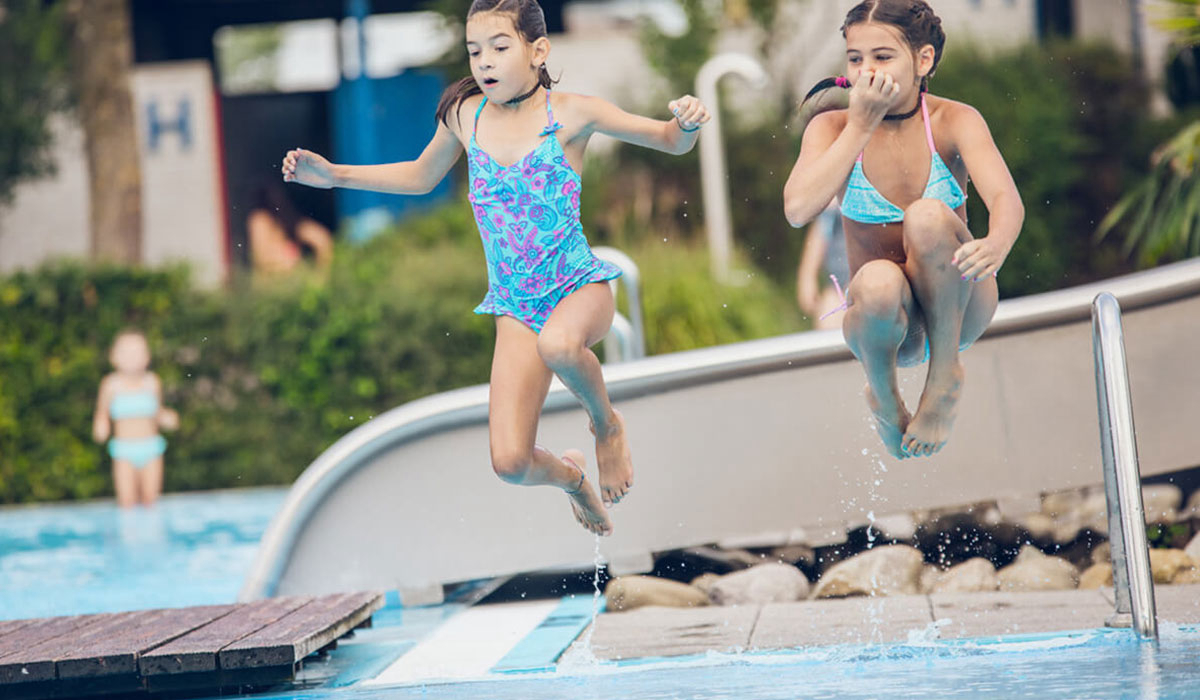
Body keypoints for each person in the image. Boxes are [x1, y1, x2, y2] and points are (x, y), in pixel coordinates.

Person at [281, 0, 710, 536]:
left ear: (538, 51)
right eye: (475, 51)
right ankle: (573, 478)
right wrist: (333, 176)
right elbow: (420, 176)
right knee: (510, 463)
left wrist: (686, 124)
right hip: (515, 306)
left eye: (500, 48)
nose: (484, 62)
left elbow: (670, 141)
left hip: (578, 286)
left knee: (558, 344)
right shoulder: (466, 116)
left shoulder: (573, 113)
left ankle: (607, 426)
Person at [782, 0, 1023, 460]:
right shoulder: (832, 128)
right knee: (874, 280)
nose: (867, 70)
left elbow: (1005, 200)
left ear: (923, 59)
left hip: (960, 311)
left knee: (927, 217)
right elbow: (797, 209)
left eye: (882, 56)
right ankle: (883, 396)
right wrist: (859, 125)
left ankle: (946, 376)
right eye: (856, 59)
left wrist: (997, 241)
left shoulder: (955, 120)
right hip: (888, 328)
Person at [92, 330, 179, 508]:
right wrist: (101, 427)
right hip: (124, 450)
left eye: (137, 353)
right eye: (126, 353)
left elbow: (157, 412)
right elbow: (102, 413)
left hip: (151, 448)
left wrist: (168, 418)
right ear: (114, 357)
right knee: (127, 502)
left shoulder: (152, 382)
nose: (132, 358)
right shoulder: (110, 384)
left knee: (150, 500)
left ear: (147, 357)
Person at [245, 180, 334, 275]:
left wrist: (321, 276)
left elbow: (321, 239)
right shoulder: (263, 220)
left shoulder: (264, 219)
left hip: (286, 282)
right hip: (278, 282)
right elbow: (261, 258)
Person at [796, 201, 852, 330]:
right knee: (828, 319)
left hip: (869, 276)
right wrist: (807, 276)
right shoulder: (836, 196)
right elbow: (821, 231)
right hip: (838, 287)